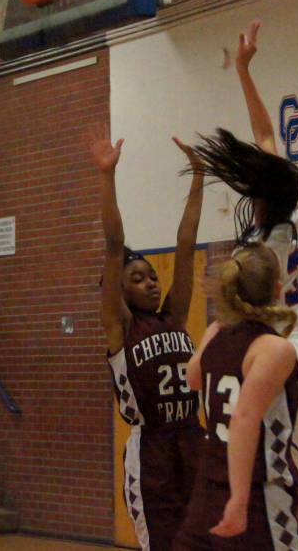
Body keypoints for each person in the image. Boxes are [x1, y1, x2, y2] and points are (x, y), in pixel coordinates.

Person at [187, 19, 298, 550]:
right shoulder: (292, 216)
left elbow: (245, 310)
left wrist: (210, 344)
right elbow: (267, 139)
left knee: (272, 486)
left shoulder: (258, 253)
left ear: (259, 195)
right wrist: (246, 71)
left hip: (283, 355)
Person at [88, 129, 207, 551]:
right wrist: (108, 176)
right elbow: (113, 244)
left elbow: (186, 246)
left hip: (193, 438)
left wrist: (198, 177)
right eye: (137, 279)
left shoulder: (173, 316)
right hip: (152, 447)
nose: (151, 283)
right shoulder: (120, 329)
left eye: (152, 275)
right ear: (120, 291)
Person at [173, 242, 298, 549]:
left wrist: (213, 329)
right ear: (277, 289)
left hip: (207, 486)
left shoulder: (216, 334)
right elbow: (243, 419)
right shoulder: (273, 348)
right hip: (257, 488)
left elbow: (193, 378)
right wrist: (239, 499)